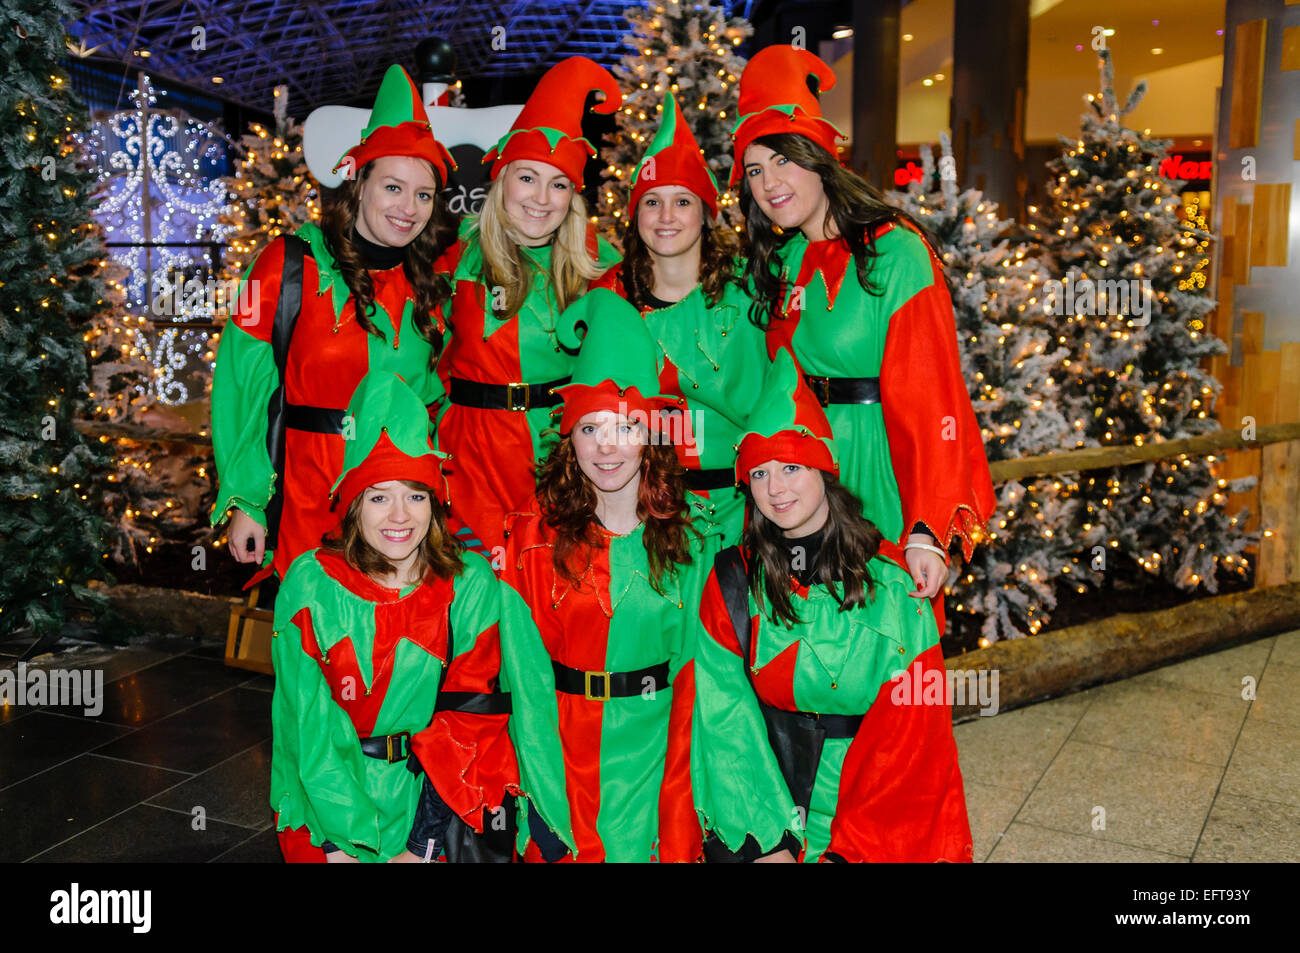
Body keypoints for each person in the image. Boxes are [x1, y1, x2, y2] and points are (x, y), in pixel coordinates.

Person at [732, 45, 995, 628]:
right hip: (801, 476)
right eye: (754, 170)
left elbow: (932, 395)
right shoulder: (781, 261)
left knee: (888, 644)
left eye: (783, 160)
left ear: (820, 157)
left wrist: (925, 526)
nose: (769, 182)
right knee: (814, 654)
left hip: (878, 466)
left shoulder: (896, 249)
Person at [499, 289, 759, 862]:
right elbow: (526, 682)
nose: (607, 447)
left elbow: (703, 679)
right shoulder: (530, 538)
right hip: (562, 750)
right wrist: (545, 797)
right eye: (589, 429)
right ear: (568, 441)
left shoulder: (691, 541)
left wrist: (687, 794)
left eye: (624, 428)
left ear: (652, 439)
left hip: (656, 750)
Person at [693, 350, 974, 862]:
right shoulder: (732, 580)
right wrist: (768, 840)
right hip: (764, 800)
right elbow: (723, 715)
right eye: (758, 474)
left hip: (872, 817)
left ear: (825, 470)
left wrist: (845, 855)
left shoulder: (893, 586)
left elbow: (911, 744)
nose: (774, 489)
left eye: (792, 468)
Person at [213, 64, 458, 587]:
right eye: (393, 186)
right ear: (359, 181)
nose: (408, 208)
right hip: (309, 496)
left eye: (424, 194)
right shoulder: (289, 264)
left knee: (394, 654)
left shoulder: (431, 285)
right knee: (312, 645)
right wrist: (248, 499)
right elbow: (243, 387)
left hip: (399, 510)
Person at [270, 372, 518, 863]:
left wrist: (420, 847)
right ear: (354, 506)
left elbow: (468, 722)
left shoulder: (469, 585)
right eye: (379, 496)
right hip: (323, 803)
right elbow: (305, 728)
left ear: (436, 502)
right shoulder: (309, 584)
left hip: (433, 800)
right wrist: (340, 846)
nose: (399, 516)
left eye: (416, 495)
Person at [432, 56, 622, 554]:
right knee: (478, 608)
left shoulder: (600, 264)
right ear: (501, 180)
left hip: (559, 456)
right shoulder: (454, 260)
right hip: (468, 458)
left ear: (574, 196)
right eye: (528, 178)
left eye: (559, 183)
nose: (542, 198)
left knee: (551, 601)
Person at [601, 92, 770, 543]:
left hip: (740, 516)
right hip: (636, 518)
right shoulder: (610, 298)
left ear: (705, 214)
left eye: (682, 201)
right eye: (652, 202)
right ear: (635, 214)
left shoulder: (750, 295)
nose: (666, 217)